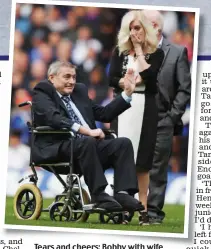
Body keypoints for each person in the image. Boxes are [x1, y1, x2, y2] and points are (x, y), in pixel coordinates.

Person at [32, 60, 144, 214]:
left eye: (74, 77)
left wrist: (127, 93)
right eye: (66, 77)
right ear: (52, 78)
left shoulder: (79, 92)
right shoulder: (42, 92)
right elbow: (53, 118)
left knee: (122, 143)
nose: (71, 81)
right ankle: (98, 195)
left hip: (87, 146)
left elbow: (104, 114)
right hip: (58, 147)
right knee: (87, 140)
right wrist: (87, 131)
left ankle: (123, 194)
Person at [108, 10, 164, 225]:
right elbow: (111, 78)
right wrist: (126, 83)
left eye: (137, 27)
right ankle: (123, 207)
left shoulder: (156, 54)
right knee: (122, 160)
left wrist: (140, 50)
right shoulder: (119, 52)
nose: (134, 32)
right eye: (131, 28)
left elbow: (150, 79)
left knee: (142, 163)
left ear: (145, 29)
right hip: (123, 105)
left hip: (145, 107)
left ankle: (142, 209)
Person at [142, 10, 191, 224]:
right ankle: (128, 209)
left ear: (156, 26)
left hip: (163, 119)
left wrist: (172, 117)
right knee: (130, 164)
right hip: (137, 117)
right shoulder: (134, 50)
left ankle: (152, 214)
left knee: (158, 168)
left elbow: (184, 88)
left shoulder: (177, 51)